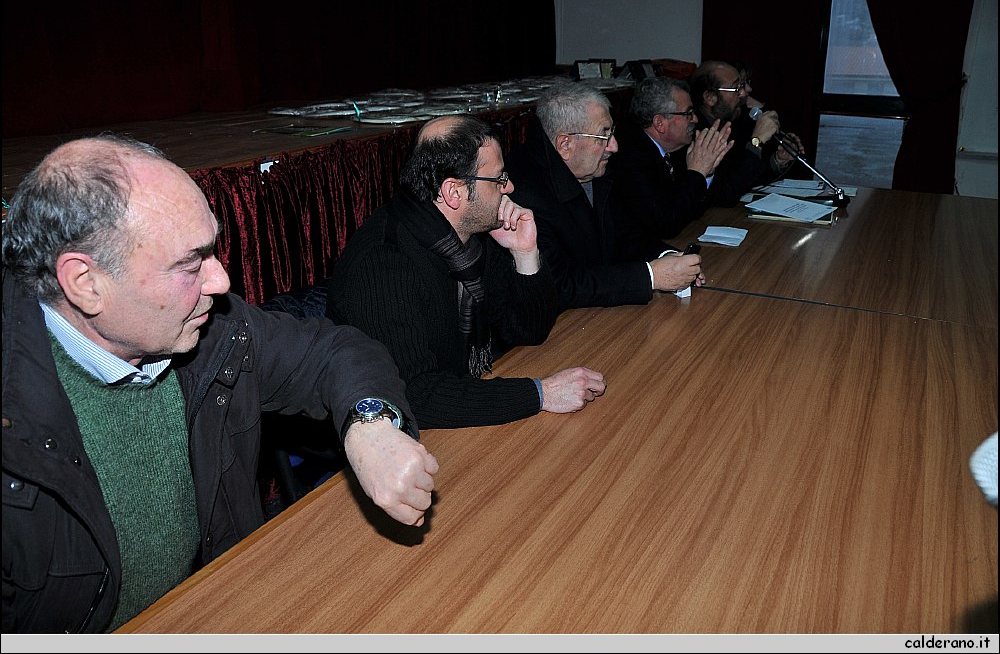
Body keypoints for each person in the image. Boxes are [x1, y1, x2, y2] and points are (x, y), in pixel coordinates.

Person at [1, 135, 438, 633]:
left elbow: (333, 352)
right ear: (85, 283)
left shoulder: (210, 330)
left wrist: (371, 425)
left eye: (212, 250)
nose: (221, 281)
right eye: (191, 264)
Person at [326, 115, 606, 429]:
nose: (510, 187)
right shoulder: (384, 265)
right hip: (393, 434)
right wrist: (541, 394)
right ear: (454, 192)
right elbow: (415, 396)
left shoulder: (471, 236)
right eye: (498, 178)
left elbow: (528, 332)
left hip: (459, 404)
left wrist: (525, 253)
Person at [505, 80, 704, 311]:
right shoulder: (524, 193)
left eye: (613, 133)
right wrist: (651, 276)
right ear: (565, 144)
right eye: (604, 136)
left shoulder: (590, 168)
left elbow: (624, 234)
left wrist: (667, 256)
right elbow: (559, 285)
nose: (614, 147)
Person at [608, 77, 734, 256]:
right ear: (660, 123)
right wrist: (697, 172)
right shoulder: (629, 157)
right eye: (688, 113)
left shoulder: (674, 149)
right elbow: (667, 225)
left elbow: (692, 209)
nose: (695, 119)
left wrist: (706, 171)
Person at [689, 59, 806, 204]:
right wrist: (757, 141)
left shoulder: (732, 123)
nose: (744, 93)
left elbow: (744, 178)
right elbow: (725, 193)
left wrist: (778, 160)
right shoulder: (694, 134)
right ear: (710, 97)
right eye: (737, 88)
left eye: (742, 86)